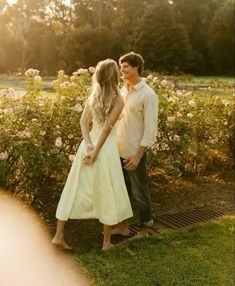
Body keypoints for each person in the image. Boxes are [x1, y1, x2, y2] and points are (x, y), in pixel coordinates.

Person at [52, 59, 133, 251]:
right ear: (114, 76)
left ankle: (58, 236)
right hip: (104, 149)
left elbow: (83, 122)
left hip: (88, 146)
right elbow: (107, 129)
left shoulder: (93, 96)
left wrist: (88, 144)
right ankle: (106, 243)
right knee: (107, 190)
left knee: (74, 187)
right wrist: (95, 150)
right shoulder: (118, 100)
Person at [112, 52, 158, 237]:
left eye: (126, 66)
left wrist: (137, 156)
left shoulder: (148, 95)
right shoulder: (123, 90)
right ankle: (123, 227)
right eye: (121, 66)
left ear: (137, 67)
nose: (122, 69)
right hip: (117, 150)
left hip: (134, 152)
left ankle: (146, 228)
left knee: (139, 192)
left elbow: (150, 130)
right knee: (120, 192)